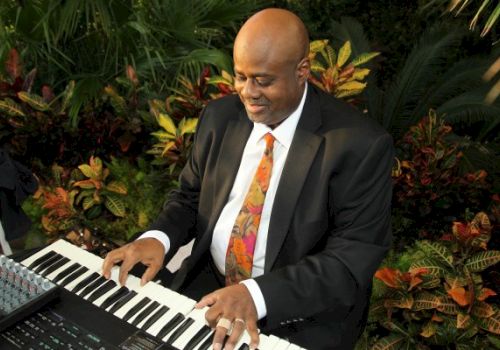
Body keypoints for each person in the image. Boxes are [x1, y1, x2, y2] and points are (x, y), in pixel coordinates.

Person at [102, 8, 394, 350]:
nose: (247, 92)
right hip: (208, 285)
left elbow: (349, 259)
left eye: (263, 80)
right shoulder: (220, 117)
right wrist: (159, 238)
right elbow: (189, 197)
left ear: (302, 71)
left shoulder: (358, 145)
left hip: (297, 314)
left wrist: (255, 295)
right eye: (241, 76)